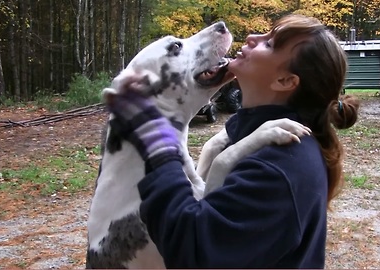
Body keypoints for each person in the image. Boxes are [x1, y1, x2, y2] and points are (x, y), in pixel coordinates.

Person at [109, 14, 360, 268]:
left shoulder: (278, 168)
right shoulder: (253, 136)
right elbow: (208, 206)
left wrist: (156, 135)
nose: (252, 38)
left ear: (285, 81)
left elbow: (191, 247)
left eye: (269, 44)